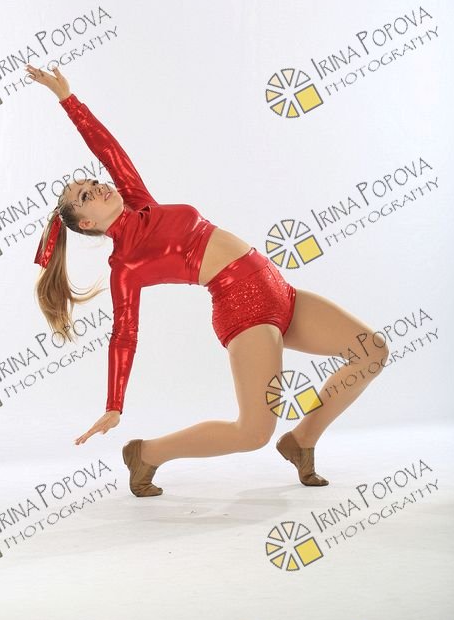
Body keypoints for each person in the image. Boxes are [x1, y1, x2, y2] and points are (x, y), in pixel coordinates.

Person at [28, 63, 389, 497]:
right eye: (86, 196)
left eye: (93, 182)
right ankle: (147, 453)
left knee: (371, 351)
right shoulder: (125, 265)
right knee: (253, 432)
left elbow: (107, 148)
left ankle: (302, 440)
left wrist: (68, 99)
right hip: (244, 312)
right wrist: (114, 404)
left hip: (279, 290)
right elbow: (124, 335)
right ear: (86, 223)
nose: (98, 186)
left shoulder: (139, 201)